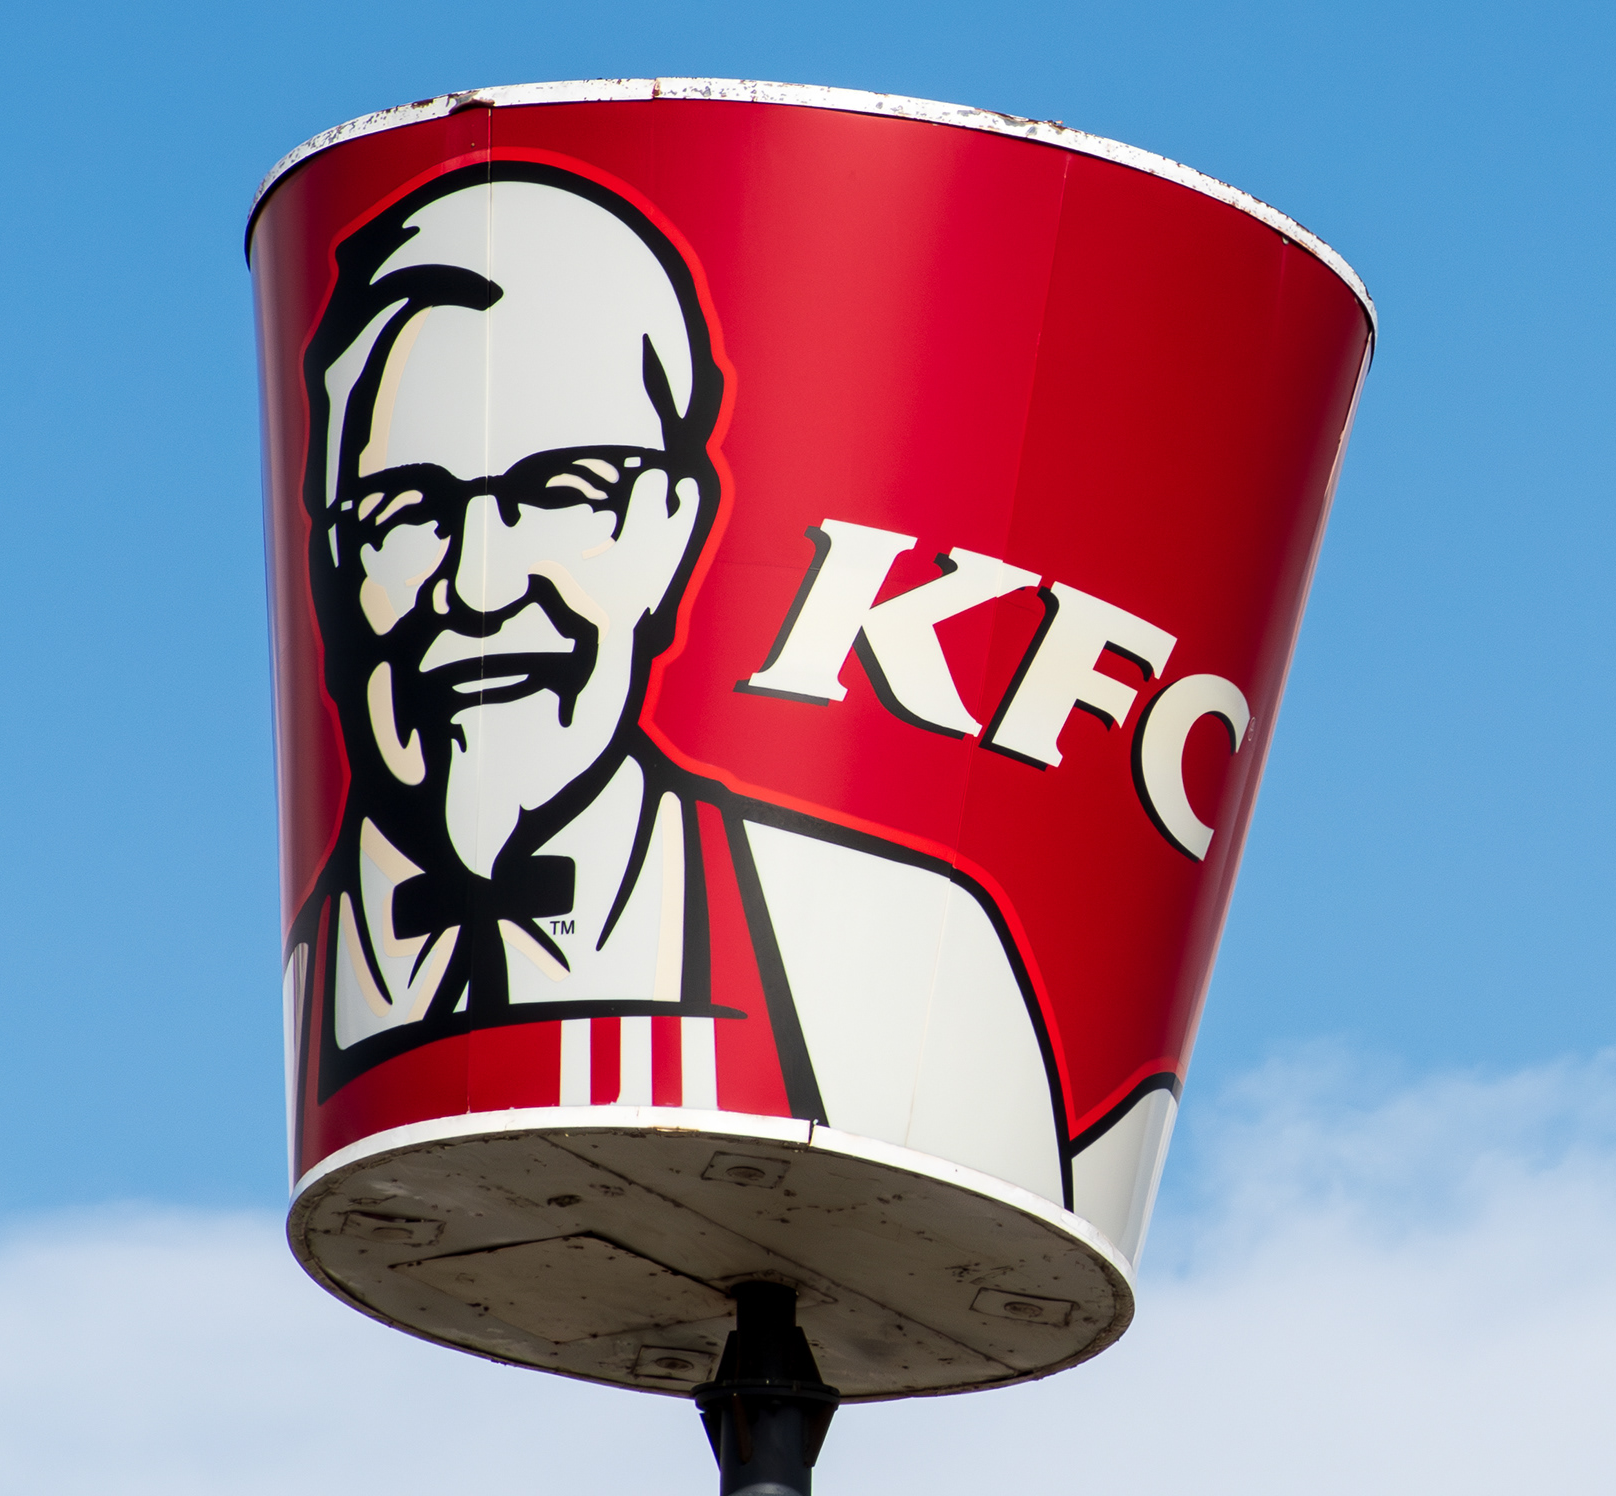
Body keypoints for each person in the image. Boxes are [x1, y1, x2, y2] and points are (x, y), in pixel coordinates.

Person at [281, 163, 1096, 1217]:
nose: (479, 584)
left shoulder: (901, 950)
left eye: (560, 492)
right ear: (335, 561)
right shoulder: (298, 1001)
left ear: (668, 528)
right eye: (408, 508)